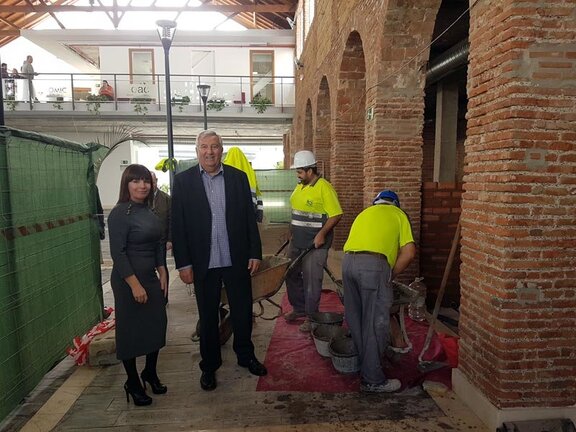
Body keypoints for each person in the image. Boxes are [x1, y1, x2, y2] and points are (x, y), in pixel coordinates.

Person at [171, 130, 267, 392]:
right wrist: (183, 264)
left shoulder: (238, 178)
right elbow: (178, 227)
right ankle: (209, 365)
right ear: (197, 151)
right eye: (205, 147)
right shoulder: (183, 182)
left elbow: (250, 219)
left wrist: (254, 252)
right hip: (203, 262)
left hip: (235, 259)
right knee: (208, 316)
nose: (210, 151)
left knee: (242, 311)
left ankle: (245, 355)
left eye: (215, 146)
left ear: (221, 150)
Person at [342, 190, 416, 393]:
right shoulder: (399, 215)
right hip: (373, 266)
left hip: (347, 263)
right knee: (376, 324)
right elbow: (409, 253)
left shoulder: (364, 213)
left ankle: (360, 364)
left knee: (356, 319)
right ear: (396, 204)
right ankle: (373, 380)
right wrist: (389, 275)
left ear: (377, 203)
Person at [108, 164, 168, 406]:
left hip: (151, 278)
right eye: (136, 181)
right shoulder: (120, 214)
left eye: (146, 181)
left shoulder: (149, 211)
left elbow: (159, 243)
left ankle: (150, 372)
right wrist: (134, 285)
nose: (142, 185)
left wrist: (163, 269)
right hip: (127, 280)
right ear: (127, 184)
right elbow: (118, 254)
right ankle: (132, 381)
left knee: (156, 325)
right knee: (131, 332)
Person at [284, 150, 342, 332]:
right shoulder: (300, 186)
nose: (298, 175)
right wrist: (291, 231)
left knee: (312, 280)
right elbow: (297, 212)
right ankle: (299, 308)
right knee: (289, 273)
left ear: (310, 171)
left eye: (300, 172)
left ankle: (311, 316)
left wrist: (322, 234)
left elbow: (336, 214)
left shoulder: (324, 187)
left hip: (315, 245)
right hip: (297, 241)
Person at [223, 147, 264, 222]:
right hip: (250, 212)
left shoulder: (224, 171)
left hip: (230, 213)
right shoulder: (250, 172)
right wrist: (260, 215)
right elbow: (258, 194)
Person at [150, 172, 171, 303]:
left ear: (156, 181)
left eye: (152, 181)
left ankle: (164, 297)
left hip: (162, 240)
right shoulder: (141, 198)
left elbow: (171, 220)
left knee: (162, 266)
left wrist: (170, 239)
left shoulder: (166, 198)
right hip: (147, 241)